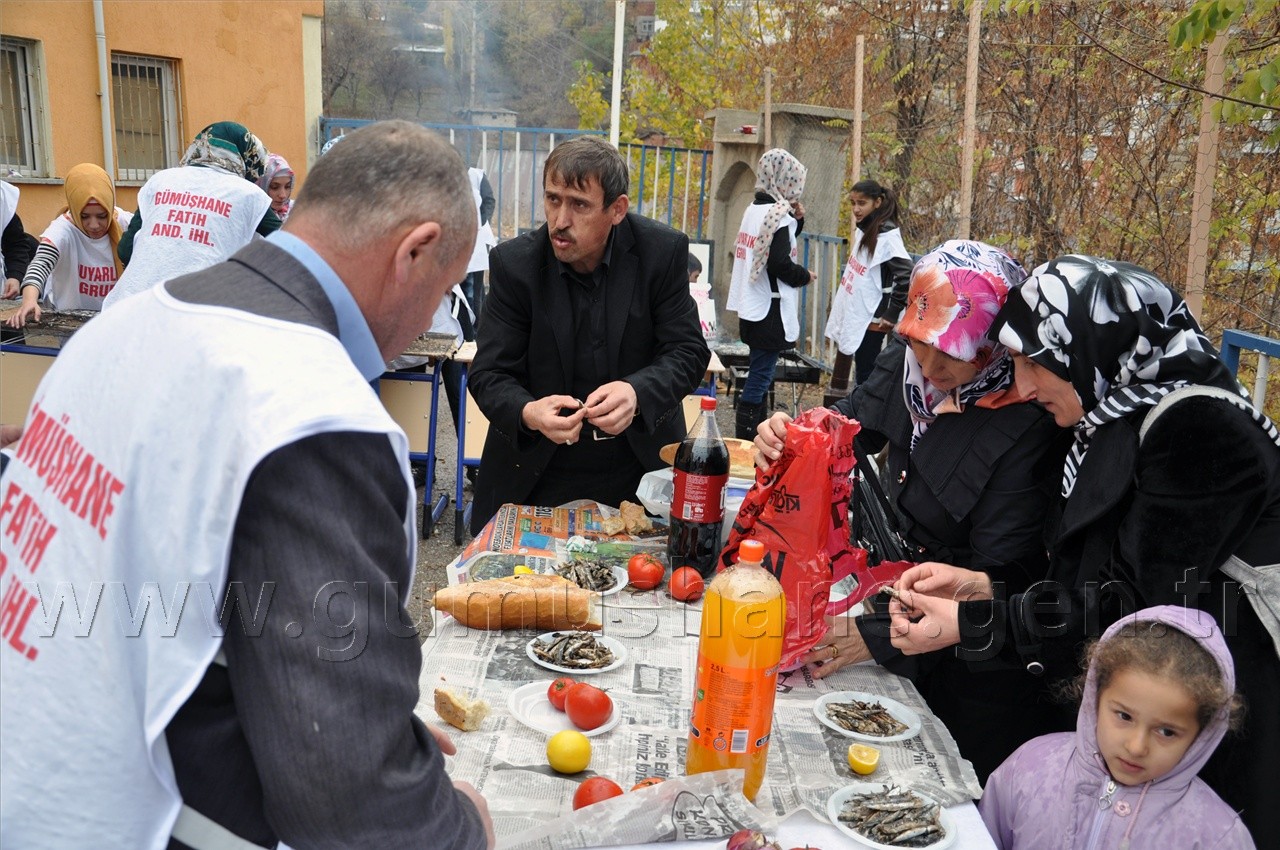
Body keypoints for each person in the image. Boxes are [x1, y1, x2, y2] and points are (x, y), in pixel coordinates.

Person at [0, 120, 494, 850]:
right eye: (443, 290)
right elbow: (348, 805)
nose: (431, 316)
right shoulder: (309, 412)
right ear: (415, 251)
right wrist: (457, 827)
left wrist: (341, 693)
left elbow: (156, 594)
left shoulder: (120, 327)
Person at [887, 255, 1280, 838]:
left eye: (1032, 363)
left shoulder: (1204, 433)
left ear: (1088, 345)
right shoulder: (1109, 416)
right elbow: (1088, 582)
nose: (1020, 385)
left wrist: (976, 621)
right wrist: (984, 589)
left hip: (1205, 726)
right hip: (1142, 716)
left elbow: (1130, 611)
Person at [755, 240, 1069, 779]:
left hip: (969, 666)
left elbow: (996, 579)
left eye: (953, 350)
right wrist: (795, 435)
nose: (930, 365)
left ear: (996, 344)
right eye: (920, 344)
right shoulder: (909, 367)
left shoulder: (1029, 423)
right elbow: (851, 421)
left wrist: (876, 633)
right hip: (889, 591)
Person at [469, 135, 709, 534]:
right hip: (535, 473)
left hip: (639, 473)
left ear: (617, 209)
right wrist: (528, 412)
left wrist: (636, 393)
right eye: (552, 199)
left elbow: (687, 350)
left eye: (579, 204)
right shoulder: (515, 265)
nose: (560, 220)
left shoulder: (661, 253)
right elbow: (488, 373)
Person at [980, 606, 1254, 849]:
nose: (1136, 747)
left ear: (1200, 735)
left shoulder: (1216, 837)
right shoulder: (1030, 767)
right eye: (1124, 716)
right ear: (1095, 698)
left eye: (1167, 732)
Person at [103, 121, 277, 309]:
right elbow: (292, 243)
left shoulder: (161, 180)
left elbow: (125, 249)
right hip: (197, 313)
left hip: (130, 307)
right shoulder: (249, 194)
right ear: (246, 156)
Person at [725, 148, 815, 439]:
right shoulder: (778, 217)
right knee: (761, 377)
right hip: (769, 311)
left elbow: (769, 244)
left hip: (752, 306)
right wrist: (804, 276)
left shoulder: (755, 210)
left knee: (758, 374)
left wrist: (796, 221)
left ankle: (754, 437)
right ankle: (747, 439)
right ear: (784, 182)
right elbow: (778, 262)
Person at [5, 163, 132, 327]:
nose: (94, 225)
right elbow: (40, 263)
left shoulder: (124, 222)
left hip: (116, 321)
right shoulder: (63, 229)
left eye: (101, 216)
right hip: (72, 324)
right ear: (74, 208)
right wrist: (29, 300)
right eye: (84, 216)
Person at [823, 179, 912, 406]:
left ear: (878, 202)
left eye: (862, 203)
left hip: (873, 317)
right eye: (853, 203)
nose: (856, 209)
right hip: (860, 314)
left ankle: (864, 423)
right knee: (862, 371)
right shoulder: (868, 228)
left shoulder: (886, 235)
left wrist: (891, 313)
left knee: (867, 375)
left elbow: (906, 275)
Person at [462, 164, 497, 327]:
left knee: (473, 287)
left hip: (477, 240)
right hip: (461, 239)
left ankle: (475, 329)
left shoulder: (476, 175)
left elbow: (489, 200)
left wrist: (482, 223)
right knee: (468, 288)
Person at [258, 153, 295, 222]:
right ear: (262, 186)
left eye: (287, 187)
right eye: (274, 187)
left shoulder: (296, 212)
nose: (282, 195)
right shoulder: (253, 217)